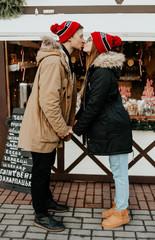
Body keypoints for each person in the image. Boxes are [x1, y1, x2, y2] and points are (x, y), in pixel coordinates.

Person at [18, 21, 85, 232]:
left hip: (48, 128)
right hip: (43, 128)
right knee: (40, 171)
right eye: (81, 35)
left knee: (45, 169)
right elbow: (49, 101)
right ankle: (41, 214)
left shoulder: (63, 59)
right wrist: (62, 128)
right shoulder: (55, 63)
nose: (84, 39)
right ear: (68, 38)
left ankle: (47, 202)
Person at [71, 32, 132, 229]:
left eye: (89, 40)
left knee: (120, 172)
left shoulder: (103, 72)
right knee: (117, 170)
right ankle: (118, 206)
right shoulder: (97, 69)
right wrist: (78, 117)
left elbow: (95, 105)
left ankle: (122, 212)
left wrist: (77, 127)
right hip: (113, 126)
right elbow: (90, 101)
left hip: (115, 127)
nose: (85, 42)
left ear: (98, 46)